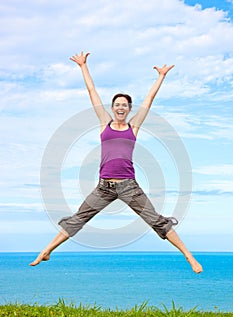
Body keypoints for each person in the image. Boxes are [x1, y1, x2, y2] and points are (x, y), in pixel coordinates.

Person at [30, 51, 203, 274]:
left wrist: (161, 76)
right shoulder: (105, 124)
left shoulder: (134, 127)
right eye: (117, 105)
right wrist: (83, 66)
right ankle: (46, 251)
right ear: (113, 108)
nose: (120, 108)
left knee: (157, 221)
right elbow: (92, 92)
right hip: (104, 187)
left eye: (125, 105)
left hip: (129, 186)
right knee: (78, 218)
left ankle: (189, 257)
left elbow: (149, 101)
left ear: (129, 109)